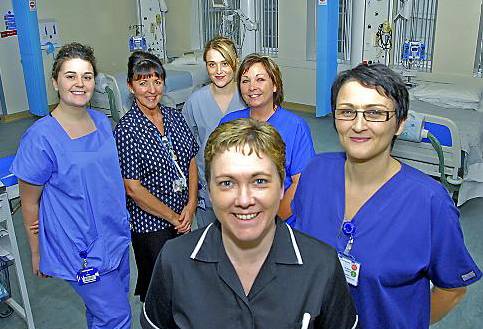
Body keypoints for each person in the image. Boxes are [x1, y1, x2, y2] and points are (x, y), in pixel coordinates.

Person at [292, 63, 482, 329]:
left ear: (400, 123)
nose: (358, 125)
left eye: (375, 113)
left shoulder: (429, 202)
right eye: (347, 112)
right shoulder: (315, 172)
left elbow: (452, 289)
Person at [141, 118, 359, 329]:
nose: (244, 200)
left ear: (282, 186)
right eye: (227, 183)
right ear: (209, 190)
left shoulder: (322, 266)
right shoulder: (174, 260)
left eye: (260, 181)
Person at [11, 42, 131, 328]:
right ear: (55, 82)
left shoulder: (102, 123)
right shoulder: (40, 138)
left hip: (114, 235)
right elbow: (29, 203)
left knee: (105, 310)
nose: (79, 83)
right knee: (117, 316)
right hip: (79, 247)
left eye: (87, 76)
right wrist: (37, 253)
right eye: (70, 76)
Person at [114, 51, 199, 303]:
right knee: (158, 287)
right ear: (131, 87)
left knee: (182, 280)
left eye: (157, 81)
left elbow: (191, 160)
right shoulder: (127, 130)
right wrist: (174, 218)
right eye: (143, 83)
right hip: (151, 225)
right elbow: (133, 188)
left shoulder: (174, 116)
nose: (151, 90)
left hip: (183, 215)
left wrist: (191, 204)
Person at [219, 54, 315, 220]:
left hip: (280, 218)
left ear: (275, 85)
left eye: (260, 79)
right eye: (245, 81)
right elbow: (219, 174)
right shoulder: (229, 123)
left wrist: (271, 221)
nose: (252, 87)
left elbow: (301, 184)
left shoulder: (295, 127)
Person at [182, 36, 246, 228]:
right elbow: (187, 151)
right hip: (207, 189)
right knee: (209, 246)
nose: (218, 71)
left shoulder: (248, 99)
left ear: (235, 62)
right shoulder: (195, 102)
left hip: (243, 189)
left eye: (224, 63)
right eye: (212, 64)